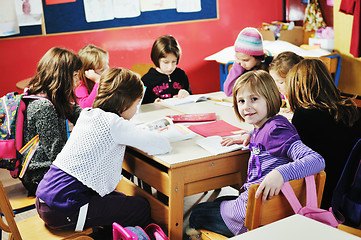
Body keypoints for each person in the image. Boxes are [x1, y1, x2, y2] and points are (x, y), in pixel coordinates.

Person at [35, 67, 172, 239]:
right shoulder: (114, 123)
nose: (137, 109)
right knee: (140, 208)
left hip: (46, 198)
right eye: (137, 103)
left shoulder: (88, 114)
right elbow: (161, 145)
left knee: (122, 200)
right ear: (124, 103)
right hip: (64, 207)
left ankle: (110, 233)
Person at [188, 70, 325, 237]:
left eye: (254, 99)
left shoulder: (275, 131)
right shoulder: (272, 124)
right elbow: (268, 139)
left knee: (197, 212)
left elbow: (316, 160)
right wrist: (249, 135)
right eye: (241, 101)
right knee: (219, 201)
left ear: (270, 98)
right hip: (269, 209)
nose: (246, 106)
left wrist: (279, 173)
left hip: (254, 216)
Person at [287, 58, 361, 209]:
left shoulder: (304, 115)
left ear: (297, 86)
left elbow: (293, 160)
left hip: (318, 196)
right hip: (348, 194)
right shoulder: (354, 111)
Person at [21, 47, 83, 196]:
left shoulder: (54, 100)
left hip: (47, 170)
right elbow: (56, 153)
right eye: (74, 75)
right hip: (38, 176)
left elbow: (79, 114)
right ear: (61, 76)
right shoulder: (44, 106)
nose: (78, 80)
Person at [223, 27, 273, 97]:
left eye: (245, 60)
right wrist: (237, 67)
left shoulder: (270, 66)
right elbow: (229, 92)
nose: (242, 64)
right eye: (238, 58)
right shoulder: (241, 68)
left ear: (257, 57)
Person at [142, 35, 192, 104]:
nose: (170, 67)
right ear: (157, 59)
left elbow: (191, 97)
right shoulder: (147, 80)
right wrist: (153, 104)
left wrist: (186, 94)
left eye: (174, 62)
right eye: (166, 62)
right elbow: (142, 106)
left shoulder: (181, 75)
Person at [75, 44, 109, 108]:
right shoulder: (80, 87)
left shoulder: (105, 81)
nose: (107, 70)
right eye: (102, 70)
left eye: (107, 65)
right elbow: (86, 106)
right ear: (89, 73)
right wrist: (98, 81)